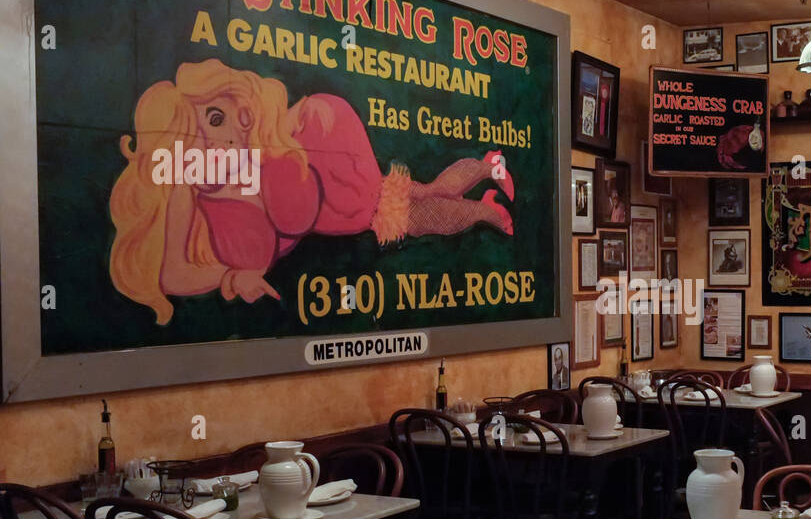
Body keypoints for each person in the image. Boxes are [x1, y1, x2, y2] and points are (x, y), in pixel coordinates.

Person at [110, 59, 514, 324]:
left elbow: (278, 135)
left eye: (215, 118)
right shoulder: (187, 190)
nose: (212, 141)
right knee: (414, 202)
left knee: (414, 202)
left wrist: (299, 116)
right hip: (339, 214)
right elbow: (172, 273)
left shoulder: (262, 144)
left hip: (335, 169)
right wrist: (231, 277)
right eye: (191, 135)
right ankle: (487, 187)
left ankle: (487, 193)